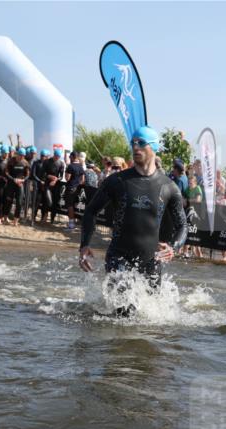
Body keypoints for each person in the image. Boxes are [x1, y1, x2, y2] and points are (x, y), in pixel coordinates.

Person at [79, 125, 187, 314]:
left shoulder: (169, 187)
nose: (135, 147)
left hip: (151, 260)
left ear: (154, 147)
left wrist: (173, 247)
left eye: (141, 143)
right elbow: (90, 211)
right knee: (124, 312)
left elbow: (182, 225)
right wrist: (84, 244)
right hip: (119, 257)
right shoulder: (117, 181)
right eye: (133, 143)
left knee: (150, 317)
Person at [64, 151, 84, 229]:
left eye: (70, 157)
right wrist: (77, 185)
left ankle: (71, 224)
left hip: (70, 188)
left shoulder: (70, 166)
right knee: (73, 205)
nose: (69, 158)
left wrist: (66, 171)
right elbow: (82, 180)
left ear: (72, 157)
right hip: (78, 189)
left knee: (70, 206)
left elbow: (67, 178)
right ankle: (72, 223)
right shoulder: (80, 166)